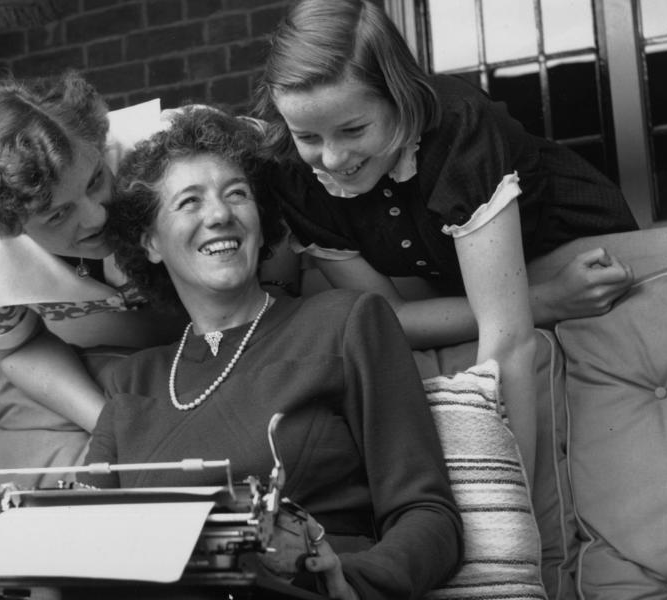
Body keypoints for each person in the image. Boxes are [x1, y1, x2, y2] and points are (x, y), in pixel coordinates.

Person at [0, 107, 464, 600]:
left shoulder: (346, 324)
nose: (219, 214)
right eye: (189, 202)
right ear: (150, 242)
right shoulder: (133, 384)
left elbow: (429, 518)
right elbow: (91, 548)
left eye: (236, 194)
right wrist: (12, 532)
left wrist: (342, 575)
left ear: (262, 221)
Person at [253, 0, 640, 477]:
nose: (332, 158)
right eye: (307, 135)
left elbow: (507, 340)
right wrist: (550, 300)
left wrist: (502, 511)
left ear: (400, 96)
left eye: (353, 129)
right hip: (521, 295)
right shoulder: (295, 176)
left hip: (591, 265)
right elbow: (391, 316)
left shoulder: (459, 129)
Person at [0, 71, 186, 432]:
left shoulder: (165, 144)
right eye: (58, 213)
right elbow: (19, 345)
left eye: (95, 180)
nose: (97, 215)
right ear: (6, 226)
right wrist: (112, 427)